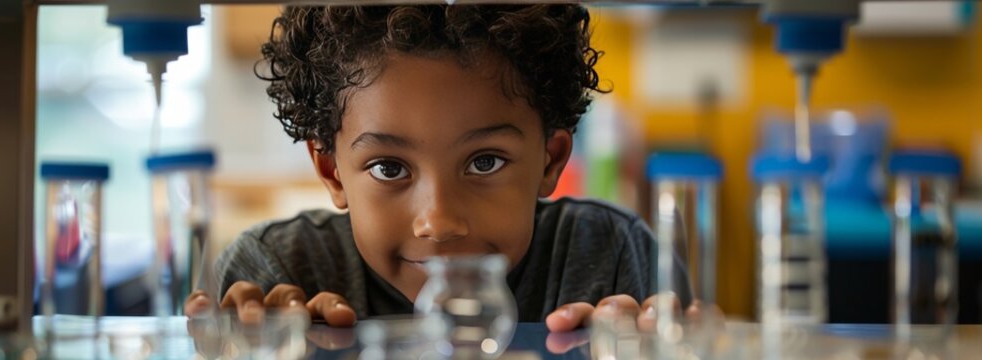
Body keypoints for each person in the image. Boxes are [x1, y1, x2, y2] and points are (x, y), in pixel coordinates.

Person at [185, 4, 702, 333]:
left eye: (484, 162)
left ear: (551, 160)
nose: (439, 220)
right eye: (389, 168)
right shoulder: (277, 272)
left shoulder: (614, 258)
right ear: (333, 171)